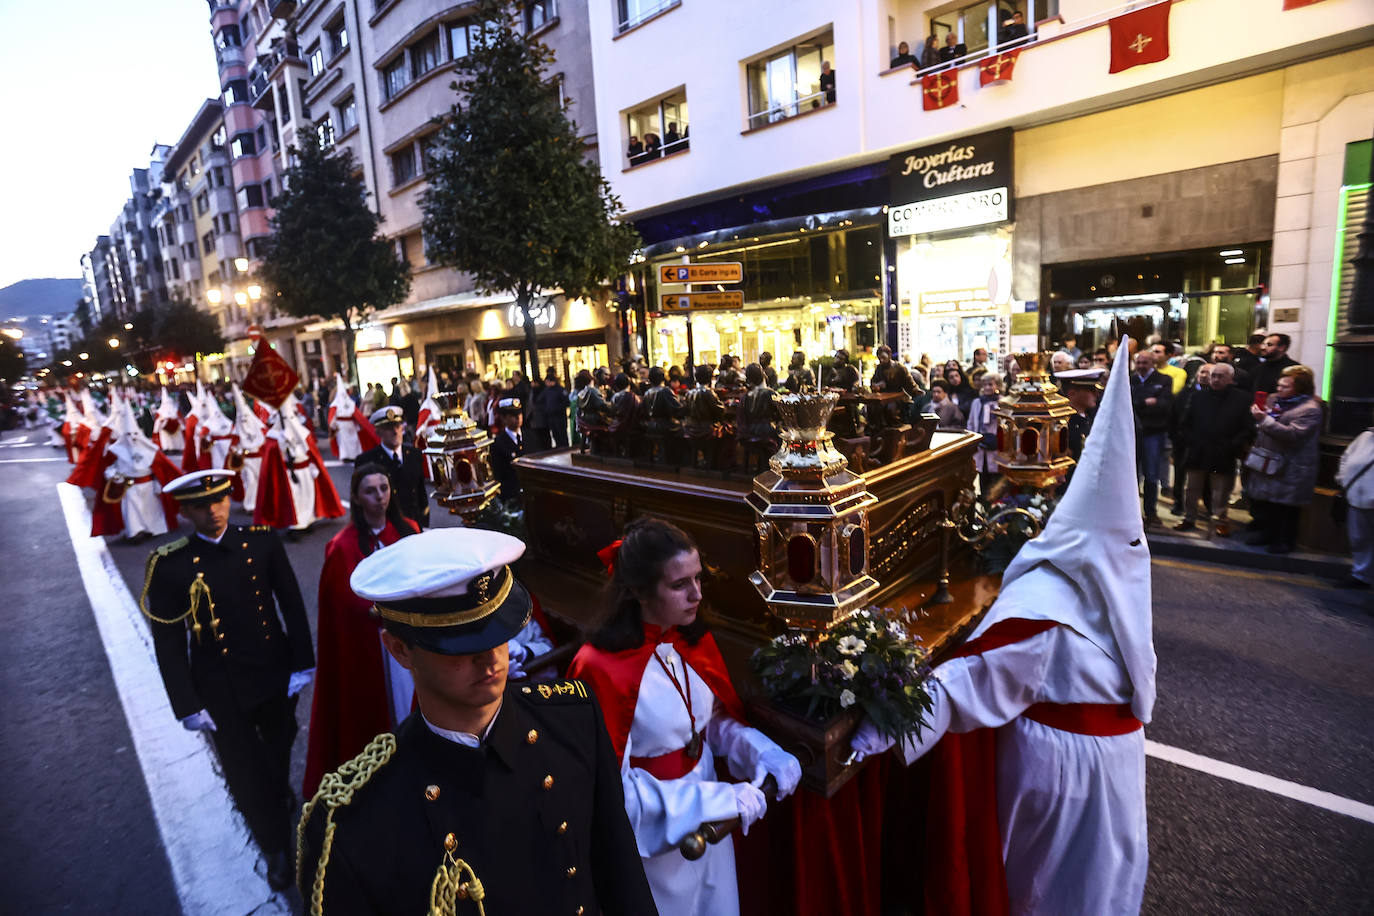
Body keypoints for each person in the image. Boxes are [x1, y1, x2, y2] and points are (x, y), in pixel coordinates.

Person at [850, 340, 1154, 915]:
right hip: (1088, 774)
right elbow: (971, 684)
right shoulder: (1091, 597)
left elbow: (967, 684)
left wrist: (878, 731)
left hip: (1077, 775)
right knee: (1077, 883)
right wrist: (880, 731)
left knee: (1074, 883)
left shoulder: (1070, 600)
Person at [298, 528, 658, 916]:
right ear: (400, 649)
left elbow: (621, 876)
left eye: (497, 633)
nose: (490, 658)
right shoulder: (355, 820)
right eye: (461, 644)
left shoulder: (573, 719)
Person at [568, 519, 801, 916]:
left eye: (698, 579)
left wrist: (763, 751)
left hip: (710, 822)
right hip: (657, 841)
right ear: (638, 592)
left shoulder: (690, 639)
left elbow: (708, 723)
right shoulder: (598, 668)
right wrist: (718, 800)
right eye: (679, 585)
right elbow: (610, 791)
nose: (696, 595)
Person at [142, 470, 314, 890]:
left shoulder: (260, 541)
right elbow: (167, 640)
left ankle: (277, 797)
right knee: (242, 769)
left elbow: (290, 603)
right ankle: (275, 847)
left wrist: (302, 663)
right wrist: (185, 703)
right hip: (219, 684)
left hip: (272, 671)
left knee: (278, 749)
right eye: (200, 506)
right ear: (185, 512)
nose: (213, 512)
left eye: (219, 501)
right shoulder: (170, 565)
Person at [303, 464, 421, 798]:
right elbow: (339, 608)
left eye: (384, 488)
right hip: (369, 650)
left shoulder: (409, 530)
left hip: (412, 642)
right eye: (370, 491)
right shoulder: (341, 547)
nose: (380, 497)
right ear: (356, 497)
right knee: (378, 713)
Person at [1246, 365, 1323, 554]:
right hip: (1269, 459)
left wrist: (1264, 420)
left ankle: (1285, 541)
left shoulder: (1310, 409)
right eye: (1279, 385)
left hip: (1292, 464)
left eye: (1285, 387)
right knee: (1268, 502)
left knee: (1286, 507)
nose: (1279, 389)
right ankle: (1267, 534)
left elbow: (1293, 435)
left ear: (1301, 388)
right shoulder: (1274, 401)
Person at [1174, 363, 1253, 535]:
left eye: (1221, 376)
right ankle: (1189, 517)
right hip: (1198, 449)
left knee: (1221, 490)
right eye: (1213, 376)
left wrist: (1233, 445)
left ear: (1231, 379)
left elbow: (1247, 428)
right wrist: (1191, 441)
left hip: (1223, 451)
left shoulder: (1242, 399)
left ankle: (1220, 520)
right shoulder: (1198, 397)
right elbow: (1185, 423)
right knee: (1192, 488)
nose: (1216, 380)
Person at [356, 405, 430, 530]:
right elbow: (361, 502)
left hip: (414, 524)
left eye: (397, 426)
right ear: (378, 432)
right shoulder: (367, 461)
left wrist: (423, 522)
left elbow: (421, 494)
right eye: (388, 428)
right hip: (385, 528)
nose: (395, 431)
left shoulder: (414, 455)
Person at [1130, 350, 1174, 526]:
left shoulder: (1164, 380)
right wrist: (1145, 402)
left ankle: (1151, 512)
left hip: (1153, 433)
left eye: (1145, 363)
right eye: (1138, 363)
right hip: (1132, 433)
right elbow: (1127, 403)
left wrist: (1139, 403)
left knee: (1151, 475)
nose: (1141, 366)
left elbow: (1163, 405)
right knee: (1131, 475)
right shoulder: (1130, 380)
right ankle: (1133, 514)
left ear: (1152, 363)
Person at [1336, 425, 1374, 590]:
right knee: (1359, 539)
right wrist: (1344, 480)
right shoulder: (1365, 437)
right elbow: (1346, 458)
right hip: (1356, 497)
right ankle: (1361, 575)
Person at [966, 373, 1003, 496]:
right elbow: (971, 422)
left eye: (990, 384)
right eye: (985, 385)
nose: (987, 387)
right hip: (981, 446)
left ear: (997, 385)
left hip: (996, 447)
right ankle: (984, 505)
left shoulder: (1002, 402)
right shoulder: (977, 402)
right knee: (983, 479)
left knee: (996, 481)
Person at [490, 396, 525, 504]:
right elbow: (500, 476)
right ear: (504, 418)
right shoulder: (498, 444)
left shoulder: (531, 436)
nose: (518, 418)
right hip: (512, 496)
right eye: (513, 415)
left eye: (519, 414)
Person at [537, 368, 571, 449]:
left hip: (560, 417)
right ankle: (559, 448)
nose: (546, 383)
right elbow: (539, 400)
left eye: (547, 382)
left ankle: (565, 449)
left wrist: (557, 408)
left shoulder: (560, 390)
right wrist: (546, 409)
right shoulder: (546, 391)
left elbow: (566, 402)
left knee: (562, 434)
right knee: (555, 435)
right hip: (551, 417)